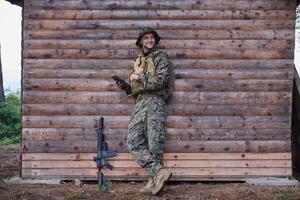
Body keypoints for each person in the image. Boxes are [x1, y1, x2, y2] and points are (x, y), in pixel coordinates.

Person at [114, 27, 174, 195]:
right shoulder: (139, 60)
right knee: (133, 141)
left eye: (152, 37)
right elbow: (137, 89)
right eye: (146, 37)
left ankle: (154, 184)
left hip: (155, 101)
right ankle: (159, 172)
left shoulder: (160, 57)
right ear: (140, 41)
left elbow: (162, 81)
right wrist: (126, 87)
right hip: (141, 102)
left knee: (155, 144)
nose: (149, 40)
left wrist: (139, 77)